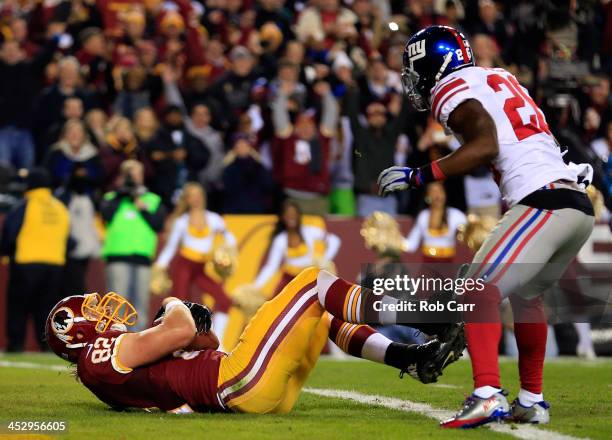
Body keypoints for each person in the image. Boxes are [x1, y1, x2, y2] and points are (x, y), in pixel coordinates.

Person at [378, 26, 595, 427]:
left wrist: (418, 176)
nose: (414, 81)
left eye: (415, 70)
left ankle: (487, 395)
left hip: (542, 200)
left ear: (434, 63)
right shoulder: (499, 77)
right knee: (528, 298)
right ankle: (531, 401)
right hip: (574, 205)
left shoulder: (451, 88)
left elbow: (485, 146)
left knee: (476, 289)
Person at [44, 268, 464, 413]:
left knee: (318, 311)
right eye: (95, 312)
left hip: (246, 391)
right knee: (313, 284)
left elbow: (198, 341)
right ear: (76, 331)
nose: (107, 311)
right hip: (238, 380)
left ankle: (411, 357)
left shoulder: (110, 369)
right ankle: (427, 319)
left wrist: (183, 323)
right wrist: (176, 303)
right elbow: (183, 328)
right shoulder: (99, 355)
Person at [153, 182, 236, 347]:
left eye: (199, 195)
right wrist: (160, 265)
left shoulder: (214, 219)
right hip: (183, 266)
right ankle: (173, 344)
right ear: (187, 200)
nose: (196, 199)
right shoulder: (182, 221)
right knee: (179, 306)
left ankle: (218, 342)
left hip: (201, 268)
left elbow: (231, 240)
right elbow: (170, 248)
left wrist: (225, 251)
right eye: (192, 196)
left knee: (224, 300)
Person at [0, 168, 70, 352]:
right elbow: (70, 240)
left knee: (19, 307)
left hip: (26, 262)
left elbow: (10, 231)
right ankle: (46, 346)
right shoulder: (60, 208)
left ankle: (16, 344)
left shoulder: (25, 205)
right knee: (46, 309)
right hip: (54, 265)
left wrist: (5, 251)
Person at [100, 160, 165, 331]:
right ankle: (114, 339)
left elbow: (158, 224)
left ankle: (138, 341)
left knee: (140, 303)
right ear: (122, 176)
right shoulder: (112, 198)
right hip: (118, 256)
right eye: (130, 174)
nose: (134, 178)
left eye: (137, 174)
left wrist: (141, 206)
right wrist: (122, 195)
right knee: (117, 301)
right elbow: (106, 215)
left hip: (142, 258)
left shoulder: (152, 199)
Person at [251, 200, 341, 297]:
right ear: (283, 217)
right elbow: (271, 266)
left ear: (299, 215)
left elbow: (334, 240)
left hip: (308, 278)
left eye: (294, 214)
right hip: (289, 280)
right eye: (288, 215)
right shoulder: (280, 239)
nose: (291, 218)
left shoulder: (309, 231)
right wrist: (255, 286)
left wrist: (325, 260)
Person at [404, 183, 467, 262]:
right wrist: (395, 241)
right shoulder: (423, 216)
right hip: (428, 264)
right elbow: (411, 245)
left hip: (448, 264)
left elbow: (470, 234)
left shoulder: (456, 215)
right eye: (433, 192)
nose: (437, 195)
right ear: (427, 197)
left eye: (440, 191)